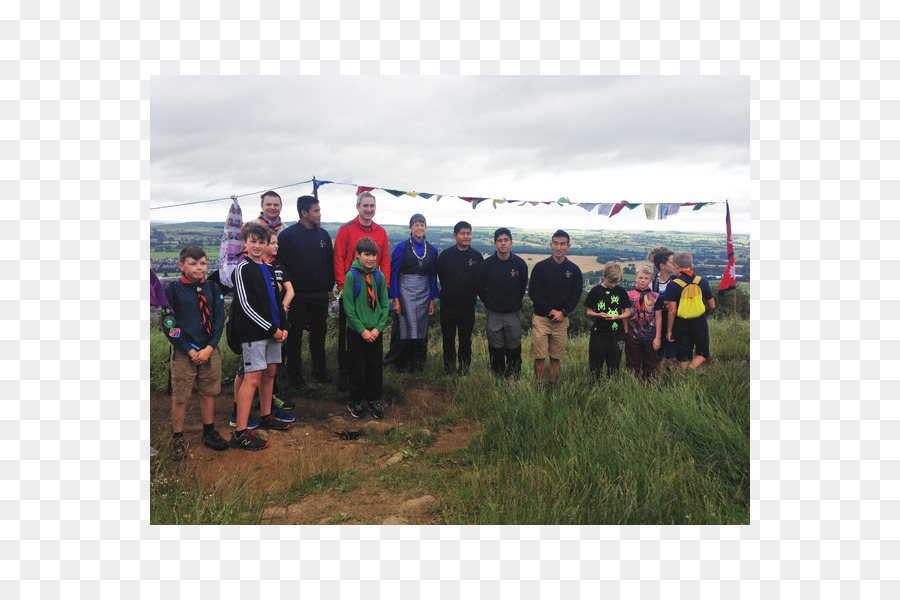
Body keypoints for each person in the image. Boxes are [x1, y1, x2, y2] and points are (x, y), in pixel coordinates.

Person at [228, 222, 292, 450]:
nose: (257, 245)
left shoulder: (265, 267)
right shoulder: (242, 268)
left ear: (266, 245)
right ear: (244, 243)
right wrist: (271, 329)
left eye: (261, 241)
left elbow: (276, 300)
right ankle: (240, 433)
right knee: (252, 378)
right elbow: (245, 306)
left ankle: (267, 415)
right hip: (254, 333)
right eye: (252, 241)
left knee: (270, 372)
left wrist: (283, 326)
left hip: (273, 331)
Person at [162, 246, 229, 459]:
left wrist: (209, 348)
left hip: (209, 349)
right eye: (193, 263)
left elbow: (219, 321)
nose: (199, 268)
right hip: (184, 351)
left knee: (208, 392)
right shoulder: (172, 290)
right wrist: (189, 350)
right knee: (181, 395)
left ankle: (208, 432)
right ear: (181, 265)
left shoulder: (212, 288)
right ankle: (177, 437)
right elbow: (169, 324)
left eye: (203, 263)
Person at [333, 191, 391, 391]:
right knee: (348, 336)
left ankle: (369, 379)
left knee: (372, 335)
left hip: (374, 292)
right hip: (351, 290)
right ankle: (345, 375)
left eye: (372, 206)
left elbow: (385, 261)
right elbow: (339, 259)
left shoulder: (381, 232)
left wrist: (386, 286)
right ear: (357, 207)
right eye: (365, 206)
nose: (369, 210)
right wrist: (342, 286)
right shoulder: (345, 230)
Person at [277, 194, 335, 390]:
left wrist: (329, 287)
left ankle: (320, 371)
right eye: (316, 211)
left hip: (319, 293)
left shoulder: (323, 235)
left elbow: (329, 263)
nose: (320, 214)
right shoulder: (287, 236)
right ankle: (295, 376)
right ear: (304, 213)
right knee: (294, 336)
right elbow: (280, 267)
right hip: (296, 296)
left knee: (319, 333)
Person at [383, 214, 439, 372]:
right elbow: (394, 273)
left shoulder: (432, 250)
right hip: (404, 292)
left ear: (425, 228)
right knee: (403, 327)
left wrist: (432, 299)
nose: (419, 228)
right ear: (410, 228)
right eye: (416, 225)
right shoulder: (402, 247)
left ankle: (417, 365)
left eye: (422, 225)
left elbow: (433, 275)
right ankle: (399, 364)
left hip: (424, 293)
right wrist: (395, 299)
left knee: (421, 329)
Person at [528, 230, 584, 384]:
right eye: (556, 243)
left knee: (556, 356)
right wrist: (550, 310)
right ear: (551, 245)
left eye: (563, 244)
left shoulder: (574, 270)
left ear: (568, 246)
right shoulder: (540, 267)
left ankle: (552, 385)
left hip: (561, 320)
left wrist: (563, 312)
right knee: (539, 356)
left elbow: (576, 294)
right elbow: (533, 292)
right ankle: (539, 385)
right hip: (541, 319)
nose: (559, 247)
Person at [342, 237, 390, 419]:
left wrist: (378, 328)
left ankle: (373, 399)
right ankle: (354, 401)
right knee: (356, 366)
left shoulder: (379, 276)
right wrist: (362, 330)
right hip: (356, 332)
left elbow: (385, 305)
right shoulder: (351, 277)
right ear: (358, 255)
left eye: (373, 255)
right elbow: (349, 307)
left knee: (375, 366)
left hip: (375, 331)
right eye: (366, 255)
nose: (370, 259)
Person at [476, 228, 528, 378]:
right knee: (495, 349)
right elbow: (480, 287)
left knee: (514, 349)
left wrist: (513, 302)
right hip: (494, 314)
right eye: (499, 241)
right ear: (495, 244)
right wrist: (490, 302)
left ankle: (514, 380)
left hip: (513, 313)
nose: (503, 243)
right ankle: (498, 379)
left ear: (511, 242)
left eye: (506, 240)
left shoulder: (520, 264)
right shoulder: (487, 265)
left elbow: (522, 286)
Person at [436, 221, 483, 374]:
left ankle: (464, 369)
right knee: (448, 339)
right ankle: (448, 370)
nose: (466, 236)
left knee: (465, 340)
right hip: (448, 305)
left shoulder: (477, 257)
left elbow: (479, 280)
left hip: (467, 306)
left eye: (468, 233)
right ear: (455, 236)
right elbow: (442, 277)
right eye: (462, 233)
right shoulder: (445, 256)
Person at [665, 251, 715, 370]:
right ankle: (689, 371)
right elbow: (712, 305)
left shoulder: (673, 285)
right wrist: (703, 313)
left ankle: (683, 377)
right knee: (702, 353)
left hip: (681, 325)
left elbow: (672, 310)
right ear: (691, 266)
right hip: (700, 323)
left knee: (684, 356)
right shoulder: (702, 281)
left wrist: (669, 331)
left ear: (676, 266)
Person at [585, 262, 631, 379]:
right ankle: (596, 385)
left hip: (617, 333)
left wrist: (617, 317)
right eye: (611, 282)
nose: (613, 285)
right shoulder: (595, 291)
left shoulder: (621, 291)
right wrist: (598, 314)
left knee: (614, 363)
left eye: (616, 282)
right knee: (596, 363)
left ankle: (613, 386)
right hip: (599, 332)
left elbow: (627, 312)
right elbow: (588, 312)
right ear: (604, 276)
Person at [625, 264, 660, 379]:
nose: (643, 281)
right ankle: (632, 387)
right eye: (640, 278)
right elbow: (625, 315)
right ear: (636, 278)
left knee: (650, 365)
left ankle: (647, 388)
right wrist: (626, 332)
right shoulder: (628, 295)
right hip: (632, 335)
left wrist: (658, 337)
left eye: (646, 278)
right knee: (632, 363)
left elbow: (658, 317)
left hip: (650, 336)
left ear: (651, 279)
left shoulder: (656, 297)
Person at [648, 246, 678, 374]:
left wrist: (664, 302)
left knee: (673, 353)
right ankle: (660, 381)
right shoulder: (652, 282)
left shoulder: (676, 279)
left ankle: (670, 377)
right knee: (659, 353)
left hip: (675, 321)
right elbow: (649, 303)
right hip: (658, 321)